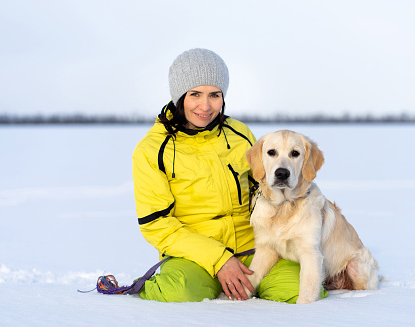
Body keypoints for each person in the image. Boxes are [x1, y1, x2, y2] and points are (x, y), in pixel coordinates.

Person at [132, 48, 328, 303]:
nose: (205, 106)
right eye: (195, 95)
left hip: (254, 249)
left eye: (214, 95)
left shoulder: (240, 133)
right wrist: (219, 259)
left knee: (302, 289)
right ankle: (150, 287)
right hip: (194, 256)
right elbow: (156, 224)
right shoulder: (151, 150)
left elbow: (264, 190)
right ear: (179, 96)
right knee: (178, 291)